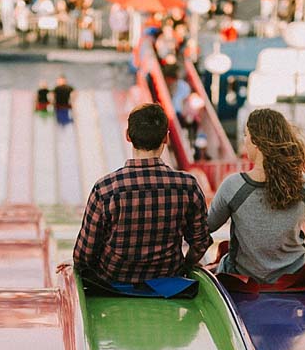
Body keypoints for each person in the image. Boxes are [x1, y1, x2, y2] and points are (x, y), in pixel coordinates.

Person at [73, 103, 212, 284]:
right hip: (168, 282)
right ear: (166, 139)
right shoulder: (187, 186)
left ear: (128, 136)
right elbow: (201, 243)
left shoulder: (105, 189)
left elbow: (83, 255)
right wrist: (186, 266)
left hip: (113, 283)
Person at [207, 109, 305, 283]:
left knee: (221, 259)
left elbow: (207, 226)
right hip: (293, 278)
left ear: (255, 141)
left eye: (246, 135)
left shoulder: (233, 186)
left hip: (244, 279)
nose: (244, 140)